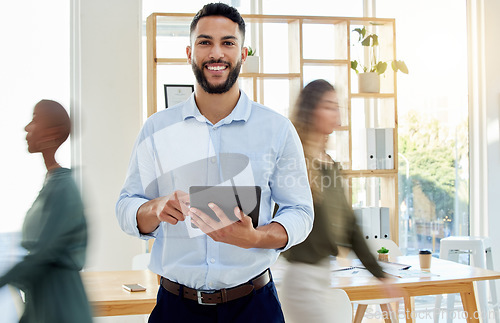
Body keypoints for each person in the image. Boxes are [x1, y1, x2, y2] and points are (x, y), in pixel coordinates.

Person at [116, 3, 313, 322]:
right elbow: (126, 206)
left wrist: (256, 238)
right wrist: (154, 209)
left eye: (228, 42)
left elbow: (301, 212)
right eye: (204, 42)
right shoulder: (157, 129)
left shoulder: (276, 130)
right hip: (175, 308)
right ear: (189, 52)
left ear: (243, 54)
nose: (216, 52)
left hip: (254, 307)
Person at [279, 79, 386, 322]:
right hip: (301, 283)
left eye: (337, 106)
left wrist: (379, 274)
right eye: (328, 106)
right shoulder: (295, 163)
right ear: (310, 110)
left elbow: (350, 226)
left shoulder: (330, 165)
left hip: (324, 278)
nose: (336, 113)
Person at [0, 100, 92, 323]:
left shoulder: (64, 188)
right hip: (42, 304)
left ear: (52, 132)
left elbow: (44, 255)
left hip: (62, 307)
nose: (27, 127)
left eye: (35, 120)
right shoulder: (51, 184)